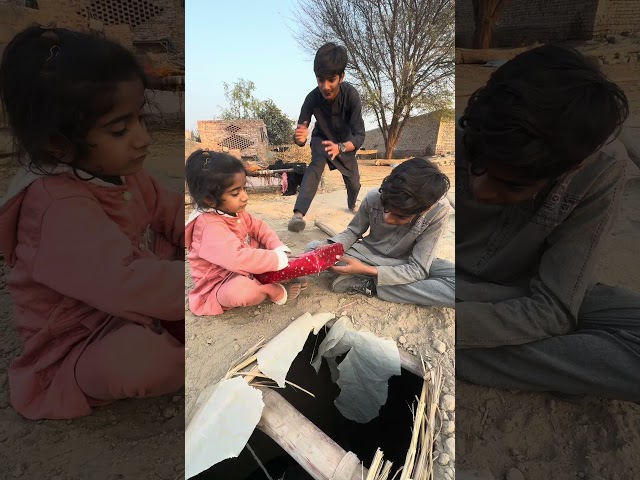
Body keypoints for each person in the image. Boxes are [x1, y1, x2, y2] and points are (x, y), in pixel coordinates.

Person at [0, 26, 185, 419]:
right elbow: (124, 281)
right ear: (58, 143)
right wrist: (201, 277)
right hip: (78, 335)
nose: (142, 139)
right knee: (148, 364)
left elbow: (170, 211)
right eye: (120, 129)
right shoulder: (55, 206)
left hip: (127, 304)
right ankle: (66, 382)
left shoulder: (121, 172)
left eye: (140, 120)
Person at [455, 45, 640, 401]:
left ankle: (467, 349)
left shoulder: (600, 168)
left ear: (568, 170)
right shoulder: (482, 126)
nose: (480, 189)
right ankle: (564, 369)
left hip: (529, 290)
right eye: (477, 164)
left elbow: (554, 307)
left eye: (511, 184)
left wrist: (453, 325)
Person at [306, 158, 455, 307]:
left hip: (407, 262)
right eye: (385, 207)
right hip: (367, 254)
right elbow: (353, 231)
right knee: (313, 249)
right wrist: (333, 248)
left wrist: (369, 271)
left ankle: (370, 284)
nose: (387, 218)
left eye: (400, 216)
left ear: (425, 209)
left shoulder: (438, 211)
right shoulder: (374, 197)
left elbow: (418, 269)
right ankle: (388, 285)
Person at [185, 150, 306, 316]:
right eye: (235, 193)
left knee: (265, 247)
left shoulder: (233, 211)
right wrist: (275, 260)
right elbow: (237, 258)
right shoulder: (208, 226)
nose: (244, 197)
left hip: (242, 268)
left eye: (244, 189)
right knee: (242, 291)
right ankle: (272, 289)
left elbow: (259, 227)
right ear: (209, 199)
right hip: (219, 282)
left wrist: (277, 248)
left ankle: (285, 273)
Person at [288, 42, 366, 232]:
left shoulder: (351, 96)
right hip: (321, 139)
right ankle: (298, 214)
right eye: (320, 80)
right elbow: (300, 135)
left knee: (354, 183)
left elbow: (360, 135)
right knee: (315, 167)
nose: (326, 86)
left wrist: (341, 147)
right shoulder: (311, 98)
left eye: (331, 80)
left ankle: (351, 203)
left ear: (341, 77)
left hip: (345, 143)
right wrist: (299, 138)